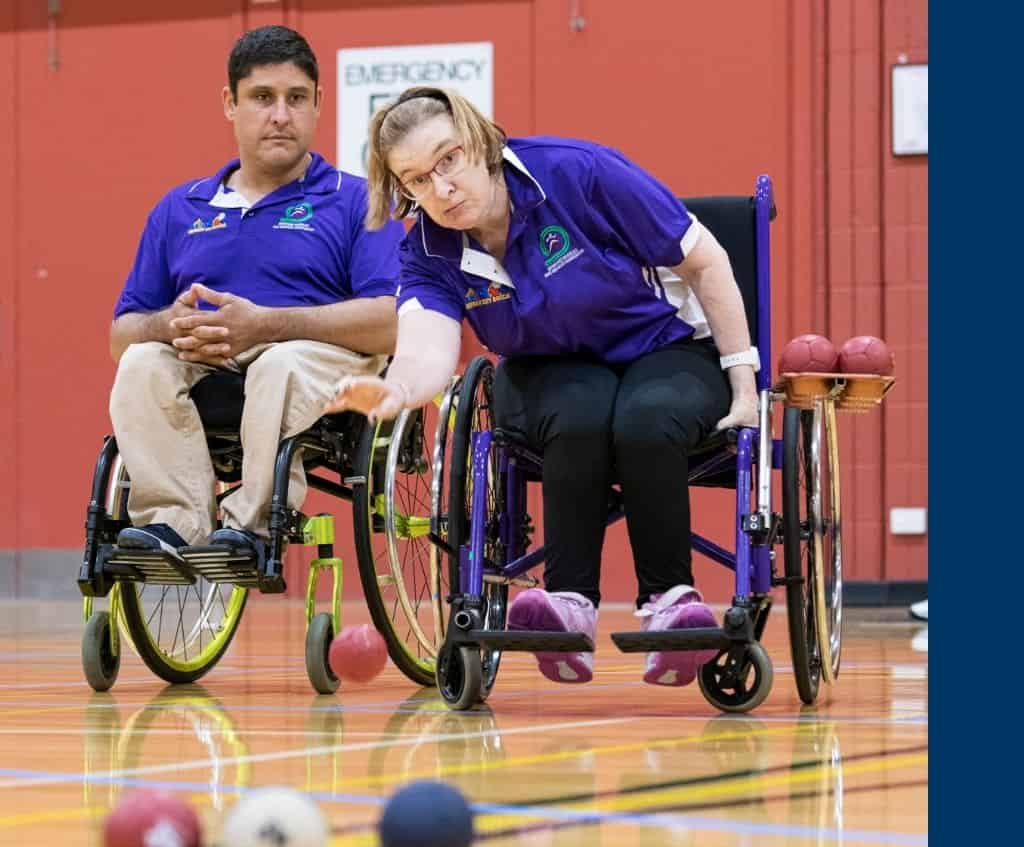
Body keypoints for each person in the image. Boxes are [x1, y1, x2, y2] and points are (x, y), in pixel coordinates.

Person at [327, 87, 760, 687]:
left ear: (479, 140)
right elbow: (428, 345)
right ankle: (568, 609)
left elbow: (706, 261)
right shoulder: (427, 248)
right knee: (578, 414)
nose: (440, 190)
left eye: (447, 160)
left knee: (645, 419)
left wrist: (744, 383)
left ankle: (671, 605)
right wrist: (397, 391)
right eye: (417, 180)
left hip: (663, 346)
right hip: (547, 367)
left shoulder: (578, 172)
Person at [109, 26, 404, 565]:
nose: (280, 115)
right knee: (140, 363)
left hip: (318, 360)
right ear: (231, 103)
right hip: (208, 360)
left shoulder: (357, 200)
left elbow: (389, 321)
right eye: (262, 98)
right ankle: (173, 526)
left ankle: (252, 527)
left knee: (280, 362)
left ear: (318, 103)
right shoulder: (181, 208)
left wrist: (267, 324)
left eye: (296, 98)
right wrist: (165, 326)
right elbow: (121, 333)